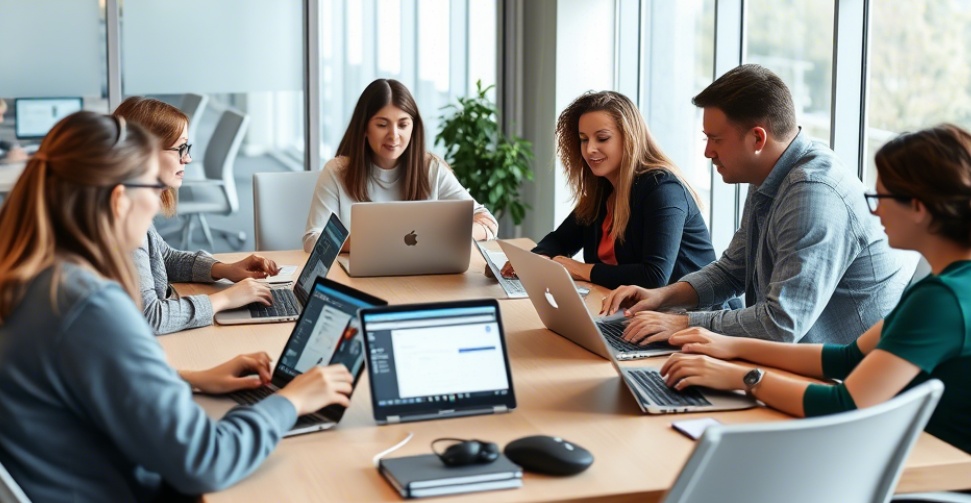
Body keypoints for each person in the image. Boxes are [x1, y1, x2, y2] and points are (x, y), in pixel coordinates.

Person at [0, 111, 391, 503]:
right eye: (152, 188)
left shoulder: (5, 278)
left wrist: (189, 379)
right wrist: (292, 402)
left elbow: (69, 386)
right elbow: (204, 461)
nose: (158, 204)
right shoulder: (88, 303)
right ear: (118, 198)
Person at [661, 123, 971, 503]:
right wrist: (733, 346)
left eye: (880, 197)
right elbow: (847, 359)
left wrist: (740, 377)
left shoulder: (942, 301)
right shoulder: (949, 284)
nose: (875, 210)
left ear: (919, 208)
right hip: (919, 473)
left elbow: (846, 403)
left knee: (723, 491)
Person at [602, 63, 910, 346]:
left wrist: (681, 323)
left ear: (758, 139)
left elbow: (781, 323)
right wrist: (662, 297)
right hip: (793, 362)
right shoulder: (769, 174)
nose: (708, 152)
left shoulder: (813, 194)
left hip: (840, 383)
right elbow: (733, 271)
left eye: (716, 139)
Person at [498, 90, 714, 289]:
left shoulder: (662, 189)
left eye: (602, 138)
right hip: (637, 314)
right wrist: (537, 258)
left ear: (630, 138)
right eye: (584, 139)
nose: (590, 149)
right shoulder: (602, 189)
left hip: (695, 319)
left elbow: (654, 277)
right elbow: (561, 240)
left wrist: (581, 269)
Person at [112, 97, 276, 335]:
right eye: (180, 148)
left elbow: (163, 258)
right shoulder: (123, 218)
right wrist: (225, 300)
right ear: (146, 152)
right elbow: (150, 317)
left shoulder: (129, 202)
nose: (187, 158)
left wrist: (224, 269)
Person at [303, 79, 497, 254]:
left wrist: (443, 237)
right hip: (358, 281)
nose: (394, 135)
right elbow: (313, 239)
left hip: (423, 281)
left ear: (413, 128)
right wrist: (379, 243)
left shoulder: (432, 169)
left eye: (403, 125)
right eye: (382, 125)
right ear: (364, 128)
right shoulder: (336, 171)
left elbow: (487, 221)